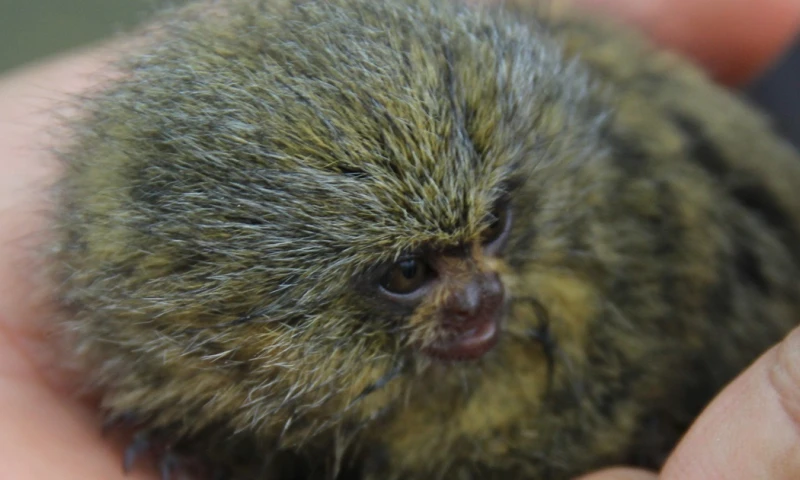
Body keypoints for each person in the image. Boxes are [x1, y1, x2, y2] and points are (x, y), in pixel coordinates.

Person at [0, 0, 797, 478]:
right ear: (204, 307)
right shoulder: (173, 333)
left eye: (493, 229)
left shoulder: (591, 252)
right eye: (410, 273)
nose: (481, 288)